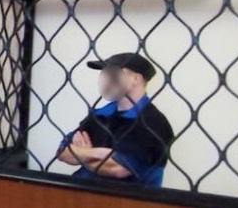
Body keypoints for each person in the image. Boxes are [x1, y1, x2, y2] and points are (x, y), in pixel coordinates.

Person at [57, 52, 175, 187]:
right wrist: (99, 153)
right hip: (79, 194)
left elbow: (118, 169)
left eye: (113, 73)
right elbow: (63, 152)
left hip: (126, 198)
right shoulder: (99, 115)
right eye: (104, 73)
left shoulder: (154, 122)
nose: (105, 79)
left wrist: (82, 155)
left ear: (136, 79)